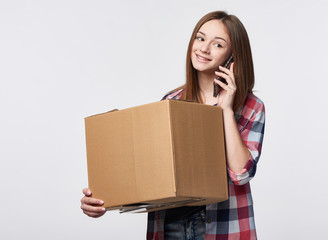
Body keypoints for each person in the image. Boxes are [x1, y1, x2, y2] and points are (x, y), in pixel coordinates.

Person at [81, 10, 265, 240]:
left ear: (233, 58)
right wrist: (104, 198)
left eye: (218, 45)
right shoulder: (172, 102)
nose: (204, 49)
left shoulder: (251, 107)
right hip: (171, 225)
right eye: (200, 38)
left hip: (222, 226)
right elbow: (150, 171)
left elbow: (241, 174)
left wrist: (226, 109)